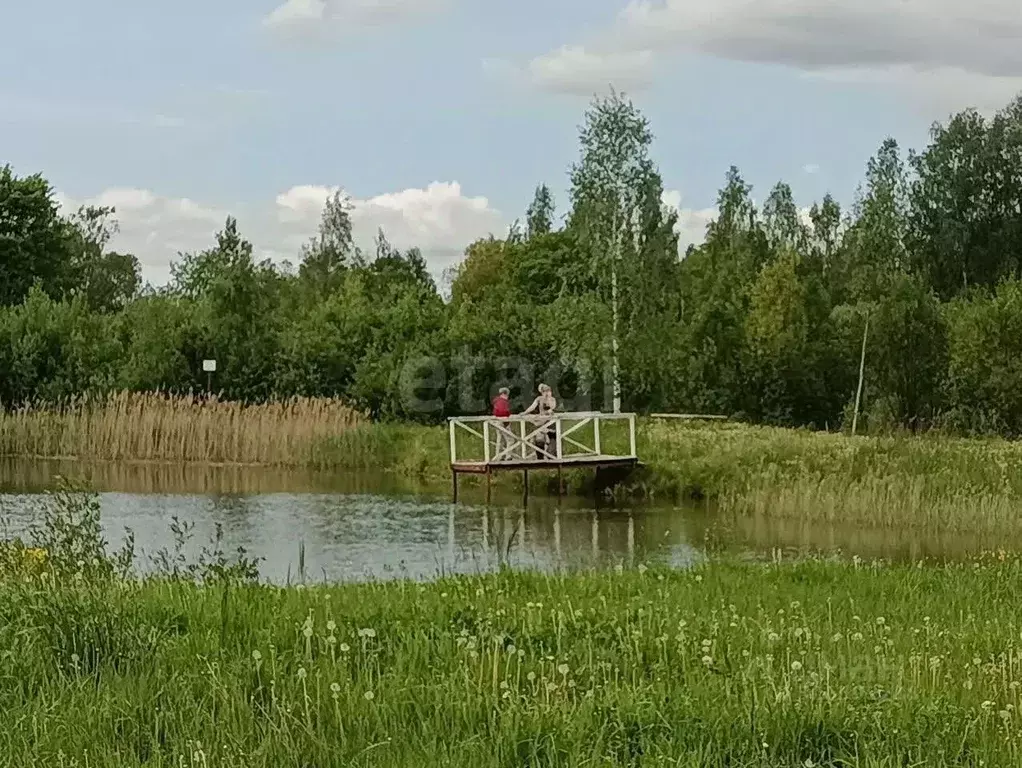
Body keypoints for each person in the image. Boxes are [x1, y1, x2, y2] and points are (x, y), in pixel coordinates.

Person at [523, 383, 557, 459]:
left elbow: (552, 407)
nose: (547, 393)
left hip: (551, 423)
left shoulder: (552, 399)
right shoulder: (539, 399)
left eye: (548, 391)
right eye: (545, 392)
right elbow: (532, 407)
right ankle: (540, 458)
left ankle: (552, 456)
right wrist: (524, 413)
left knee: (552, 443)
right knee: (539, 440)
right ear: (542, 392)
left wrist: (548, 399)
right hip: (541, 423)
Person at [491, 387, 512, 460]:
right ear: (504, 394)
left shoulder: (496, 401)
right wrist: (508, 415)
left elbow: (495, 412)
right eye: (507, 394)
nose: (508, 396)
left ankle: (498, 456)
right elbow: (504, 412)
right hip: (503, 422)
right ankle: (508, 456)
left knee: (500, 440)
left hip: (497, 421)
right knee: (510, 439)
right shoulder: (503, 402)